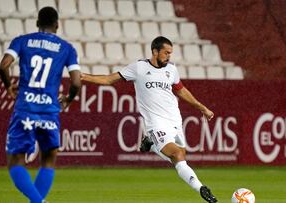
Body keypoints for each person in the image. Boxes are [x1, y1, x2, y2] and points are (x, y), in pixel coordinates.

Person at [81, 36, 218, 203]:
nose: (169, 56)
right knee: (176, 153)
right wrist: (83, 77)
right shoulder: (139, 68)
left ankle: (151, 144)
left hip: (175, 120)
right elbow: (109, 79)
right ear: (155, 51)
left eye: (170, 53)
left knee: (180, 156)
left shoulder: (171, 70)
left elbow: (181, 91)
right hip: (156, 122)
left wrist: (202, 108)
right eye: (166, 53)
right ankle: (201, 189)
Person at [0, 7, 81, 203]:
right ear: (57, 25)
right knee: (49, 159)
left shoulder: (22, 41)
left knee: (15, 161)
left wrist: (9, 86)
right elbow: (76, 82)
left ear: (37, 23)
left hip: (25, 107)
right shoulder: (67, 48)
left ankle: (38, 202)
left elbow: (3, 66)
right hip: (49, 111)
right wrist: (68, 99)